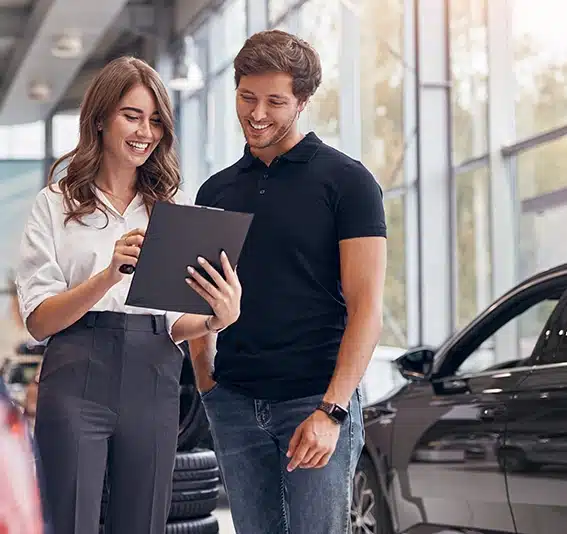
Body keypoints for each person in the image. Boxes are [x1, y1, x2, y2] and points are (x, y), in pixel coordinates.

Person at [15, 56, 242, 534]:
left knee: (142, 523)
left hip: (155, 374)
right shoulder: (55, 204)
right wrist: (107, 276)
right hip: (77, 373)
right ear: (100, 119)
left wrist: (214, 319)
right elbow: (38, 321)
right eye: (132, 115)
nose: (146, 131)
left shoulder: (171, 210)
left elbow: (173, 318)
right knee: (70, 520)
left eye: (156, 119)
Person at [189, 30, 387, 534]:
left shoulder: (348, 182)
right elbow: (201, 296)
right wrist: (208, 382)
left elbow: (366, 308)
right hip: (234, 403)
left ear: (302, 101)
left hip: (313, 403)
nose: (257, 114)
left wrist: (332, 410)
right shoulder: (216, 189)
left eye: (275, 101)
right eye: (246, 97)